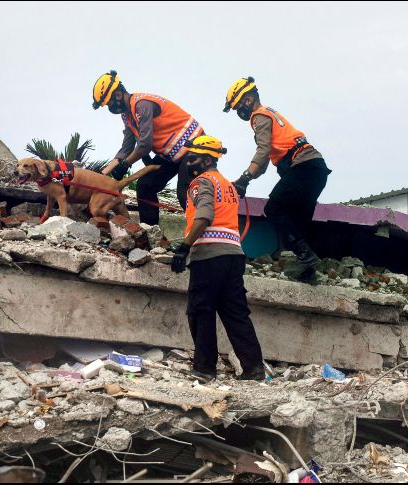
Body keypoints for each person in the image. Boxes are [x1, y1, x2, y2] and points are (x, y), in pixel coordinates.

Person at [171, 135, 265, 383]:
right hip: (234, 255)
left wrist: (184, 247)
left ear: (206, 159)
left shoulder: (201, 183)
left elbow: (203, 217)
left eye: (192, 157)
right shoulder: (229, 186)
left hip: (209, 255)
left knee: (200, 311)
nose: (189, 162)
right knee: (236, 313)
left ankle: (204, 368)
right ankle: (254, 368)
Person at [224, 77, 332, 282]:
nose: (240, 112)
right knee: (297, 220)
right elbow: (263, 165)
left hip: (303, 167)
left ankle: (306, 256)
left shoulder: (258, 117)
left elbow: (263, 151)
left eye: (237, 106)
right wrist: (244, 179)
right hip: (315, 168)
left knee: (274, 208)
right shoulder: (270, 113)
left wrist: (244, 178)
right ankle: (308, 273)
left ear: (247, 100)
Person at [91, 70, 204, 224]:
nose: (110, 108)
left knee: (183, 193)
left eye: (109, 103)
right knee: (145, 185)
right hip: (171, 155)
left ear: (117, 95)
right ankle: (150, 233)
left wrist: (125, 165)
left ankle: (202, 235)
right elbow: (126, 148)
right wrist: (103, 173)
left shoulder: (141, 104)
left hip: (195, 147)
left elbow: (144, 145)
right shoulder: (127, 115)